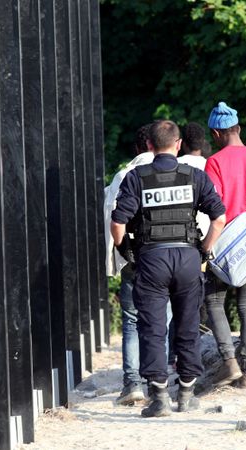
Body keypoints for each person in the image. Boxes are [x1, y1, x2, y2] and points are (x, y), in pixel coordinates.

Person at [110, 120, 226, 418]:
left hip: (151, 259)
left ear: (149, 145)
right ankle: (186, 394)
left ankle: (159, 397)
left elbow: (118, 222)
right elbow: (219, 218)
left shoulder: (137, 177)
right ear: (178, 145)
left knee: (152, 328)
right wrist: (204, 250)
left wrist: (126, 252)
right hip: (187, 257)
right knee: (187, 325)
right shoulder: (194, 176)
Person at [203, 102, 246, 389]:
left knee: (214, 301)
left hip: (223, 242)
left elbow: (213, 208)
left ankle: (229, 362)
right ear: (238, 129)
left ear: (216, 134)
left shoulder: (215, 162)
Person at [103, 124, 173, 405]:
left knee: (132, 322)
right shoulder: (179, 172)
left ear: (141, 146)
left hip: (136, 255)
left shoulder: (124, 175)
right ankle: (158, 381)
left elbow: (112, 219)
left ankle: (132, 383)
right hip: (170, 257)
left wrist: (121, 254)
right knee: (162, 320)